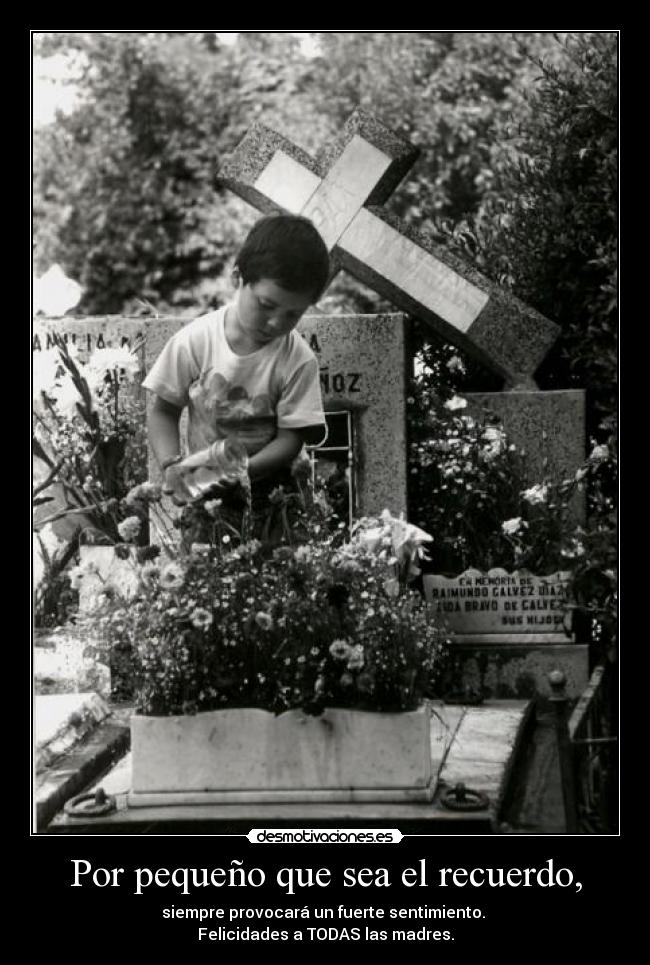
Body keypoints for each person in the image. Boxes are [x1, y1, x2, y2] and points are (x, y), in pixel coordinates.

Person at [142, 214, 330, 542]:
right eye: (266, 305)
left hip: (274, 498)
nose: (275, 323)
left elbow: (290, 439)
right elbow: (163, 411)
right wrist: (171, 464)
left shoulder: (297, 360)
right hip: (205, 492)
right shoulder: (195, 341)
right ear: (237, 278)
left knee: (279, 571)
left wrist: (240, 471)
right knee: (203, 570)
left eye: (293, 314)